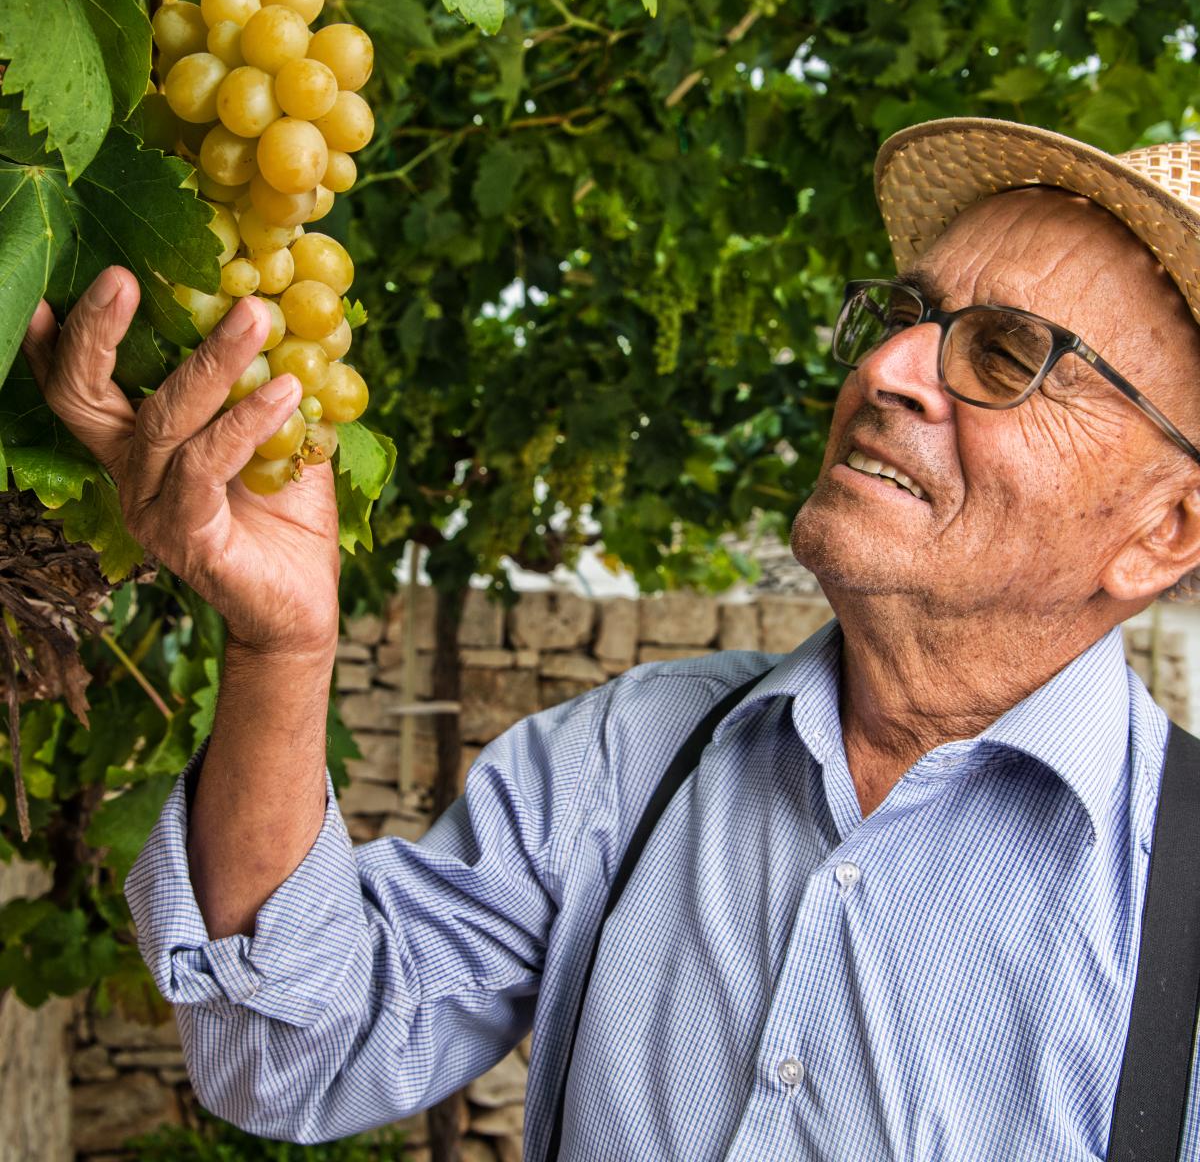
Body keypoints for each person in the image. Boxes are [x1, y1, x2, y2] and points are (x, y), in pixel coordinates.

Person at [21, 117, 1200, 1160]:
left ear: (1166, 529)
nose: (886, 368)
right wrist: (280, 651)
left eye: (1005, 354)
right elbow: (295, 1052)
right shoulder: (632, 755)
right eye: (903, 318)